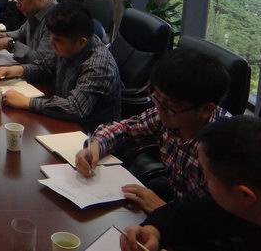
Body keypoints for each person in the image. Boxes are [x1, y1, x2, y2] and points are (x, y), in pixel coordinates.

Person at [74, 49, 231, 212]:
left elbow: (224, 218)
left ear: (206, 109)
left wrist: (164, 210)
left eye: (170, 106)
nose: (160, 110)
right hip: (177, 206)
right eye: (157, 99)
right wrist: (95, 146)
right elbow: (124, 129)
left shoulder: (225, 149)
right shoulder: (168, 114)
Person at [121, 115, 261, 251]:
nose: (206, 185)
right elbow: (194, 213)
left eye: (208, 179)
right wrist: (154, 229)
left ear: (244, 194)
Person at [0, 0, 121, 130]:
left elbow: (75, 108)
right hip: (63, 121)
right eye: (51, 37)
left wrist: (27, 102)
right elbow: (45, 67)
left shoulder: (98, 65)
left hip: (90, 133)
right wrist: (18, 70)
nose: (51, 43)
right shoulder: (68, 46)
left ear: (81, 42)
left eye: (57, 40)